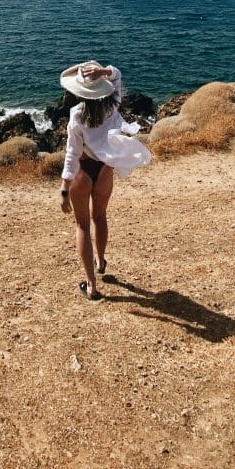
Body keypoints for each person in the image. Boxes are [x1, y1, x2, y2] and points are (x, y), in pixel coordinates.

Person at [59, 60, 150, 300]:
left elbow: (72, 153)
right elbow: (118, 77)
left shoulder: (76, 114)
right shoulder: (112, 106)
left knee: (82, 226)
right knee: (99, 216)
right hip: (103, 172)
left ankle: (91, 285)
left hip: (81, 173)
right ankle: (100, 262)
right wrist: (104, 71)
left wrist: (64, 189)